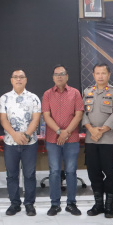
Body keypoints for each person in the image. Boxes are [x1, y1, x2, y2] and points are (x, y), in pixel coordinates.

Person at [0, 69, 42, 216]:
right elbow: (3, 119)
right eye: (15, 77)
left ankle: (29, 204)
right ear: (11, 80)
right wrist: (14, 135)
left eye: (21, 77)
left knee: (29, 175)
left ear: (26, 80)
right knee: (11, 175)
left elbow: (36, 119)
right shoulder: (4, 98)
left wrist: (26, 135)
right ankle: (14, 204)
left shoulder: (34, 98)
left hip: (30, 143)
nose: (18, 79)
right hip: (10, 142)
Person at [41, 64, 84, 216]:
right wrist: (60, 132)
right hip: (53, 139)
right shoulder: (47, 94)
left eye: (62, 74)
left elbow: (79, 114)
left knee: (71, 171)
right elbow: (46, 116)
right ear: (53, 77)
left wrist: (66, 133)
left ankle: (71, 204)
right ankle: (55, 204)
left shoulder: (75, 93)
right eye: (56, 74)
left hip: (71, 139)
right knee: (54, 172)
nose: (59, 76)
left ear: (67, 76)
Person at [82, 63, 113, 218]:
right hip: (91, 140)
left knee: (110, 173)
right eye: (97, 73)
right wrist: (92, 130)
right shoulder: (87, 91)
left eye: (103, 73)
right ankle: (98, 205)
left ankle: (109, 206)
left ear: (109, 75)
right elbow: (83, 113)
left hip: (108, 140)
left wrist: (101, 130)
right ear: (93, 75)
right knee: (94, 173)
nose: (100, 76)